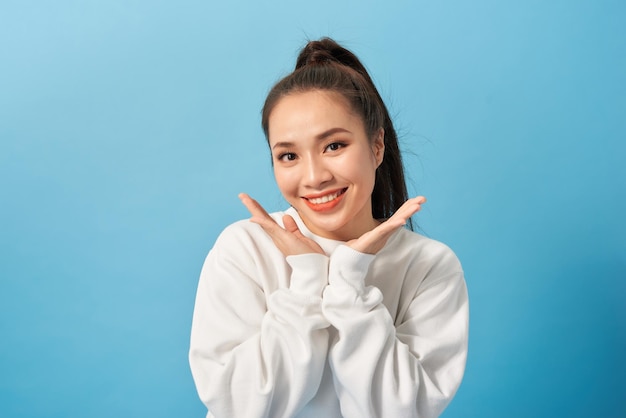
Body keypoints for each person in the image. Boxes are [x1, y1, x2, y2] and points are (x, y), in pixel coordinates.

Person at [189, 37, 469, 418]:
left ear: (376, 145)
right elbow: (236, 407)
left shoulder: (429, 267)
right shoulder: (244, 249)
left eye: (334, 146)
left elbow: (403, 412)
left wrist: (350, 281)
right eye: (288, 155)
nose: (314, 176)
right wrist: (307, 280)